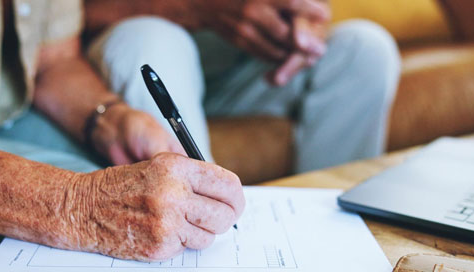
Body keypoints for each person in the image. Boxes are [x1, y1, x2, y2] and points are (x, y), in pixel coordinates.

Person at [0, 0, 245, 272]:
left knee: (143, 193)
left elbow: (54, 63)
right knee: (118, 214)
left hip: (11, 117)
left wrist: (111, 119)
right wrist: (77, 206)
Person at [83, 0, 401, 173]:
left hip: (245, 71)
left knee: (366, 48)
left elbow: (312, 9)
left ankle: (327, 237)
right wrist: (197, 7)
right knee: (152, 40)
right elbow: (62, 16)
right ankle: (204, 214)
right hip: (135, 46)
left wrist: (301, 25)